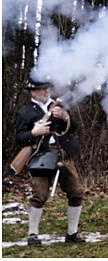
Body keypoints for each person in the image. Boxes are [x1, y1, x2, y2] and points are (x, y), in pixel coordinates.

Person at [13, 77, 86, 246]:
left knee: (76, 192)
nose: (47, 91)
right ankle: (32, 235)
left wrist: (65, 116)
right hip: (40, 156)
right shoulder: (25, 112)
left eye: (47, 88)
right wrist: (34, 133)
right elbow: (19, 138)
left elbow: (73, 127)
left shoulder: (58, 106)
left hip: (62, 154)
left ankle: (72, 233)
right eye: (42, 89)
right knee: (39, 195)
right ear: (33, 92)